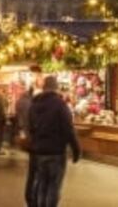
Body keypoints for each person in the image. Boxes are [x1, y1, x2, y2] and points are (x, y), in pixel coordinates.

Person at [25, 75, 81, 207]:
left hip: (38, 152)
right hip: (56, 152)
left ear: (44, 88)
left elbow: (30, 127)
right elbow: (68, 129)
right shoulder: (60, 105)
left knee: (41, 183)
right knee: (53, 186)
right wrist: (76, 149)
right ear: (56, 88)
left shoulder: (34, 105)